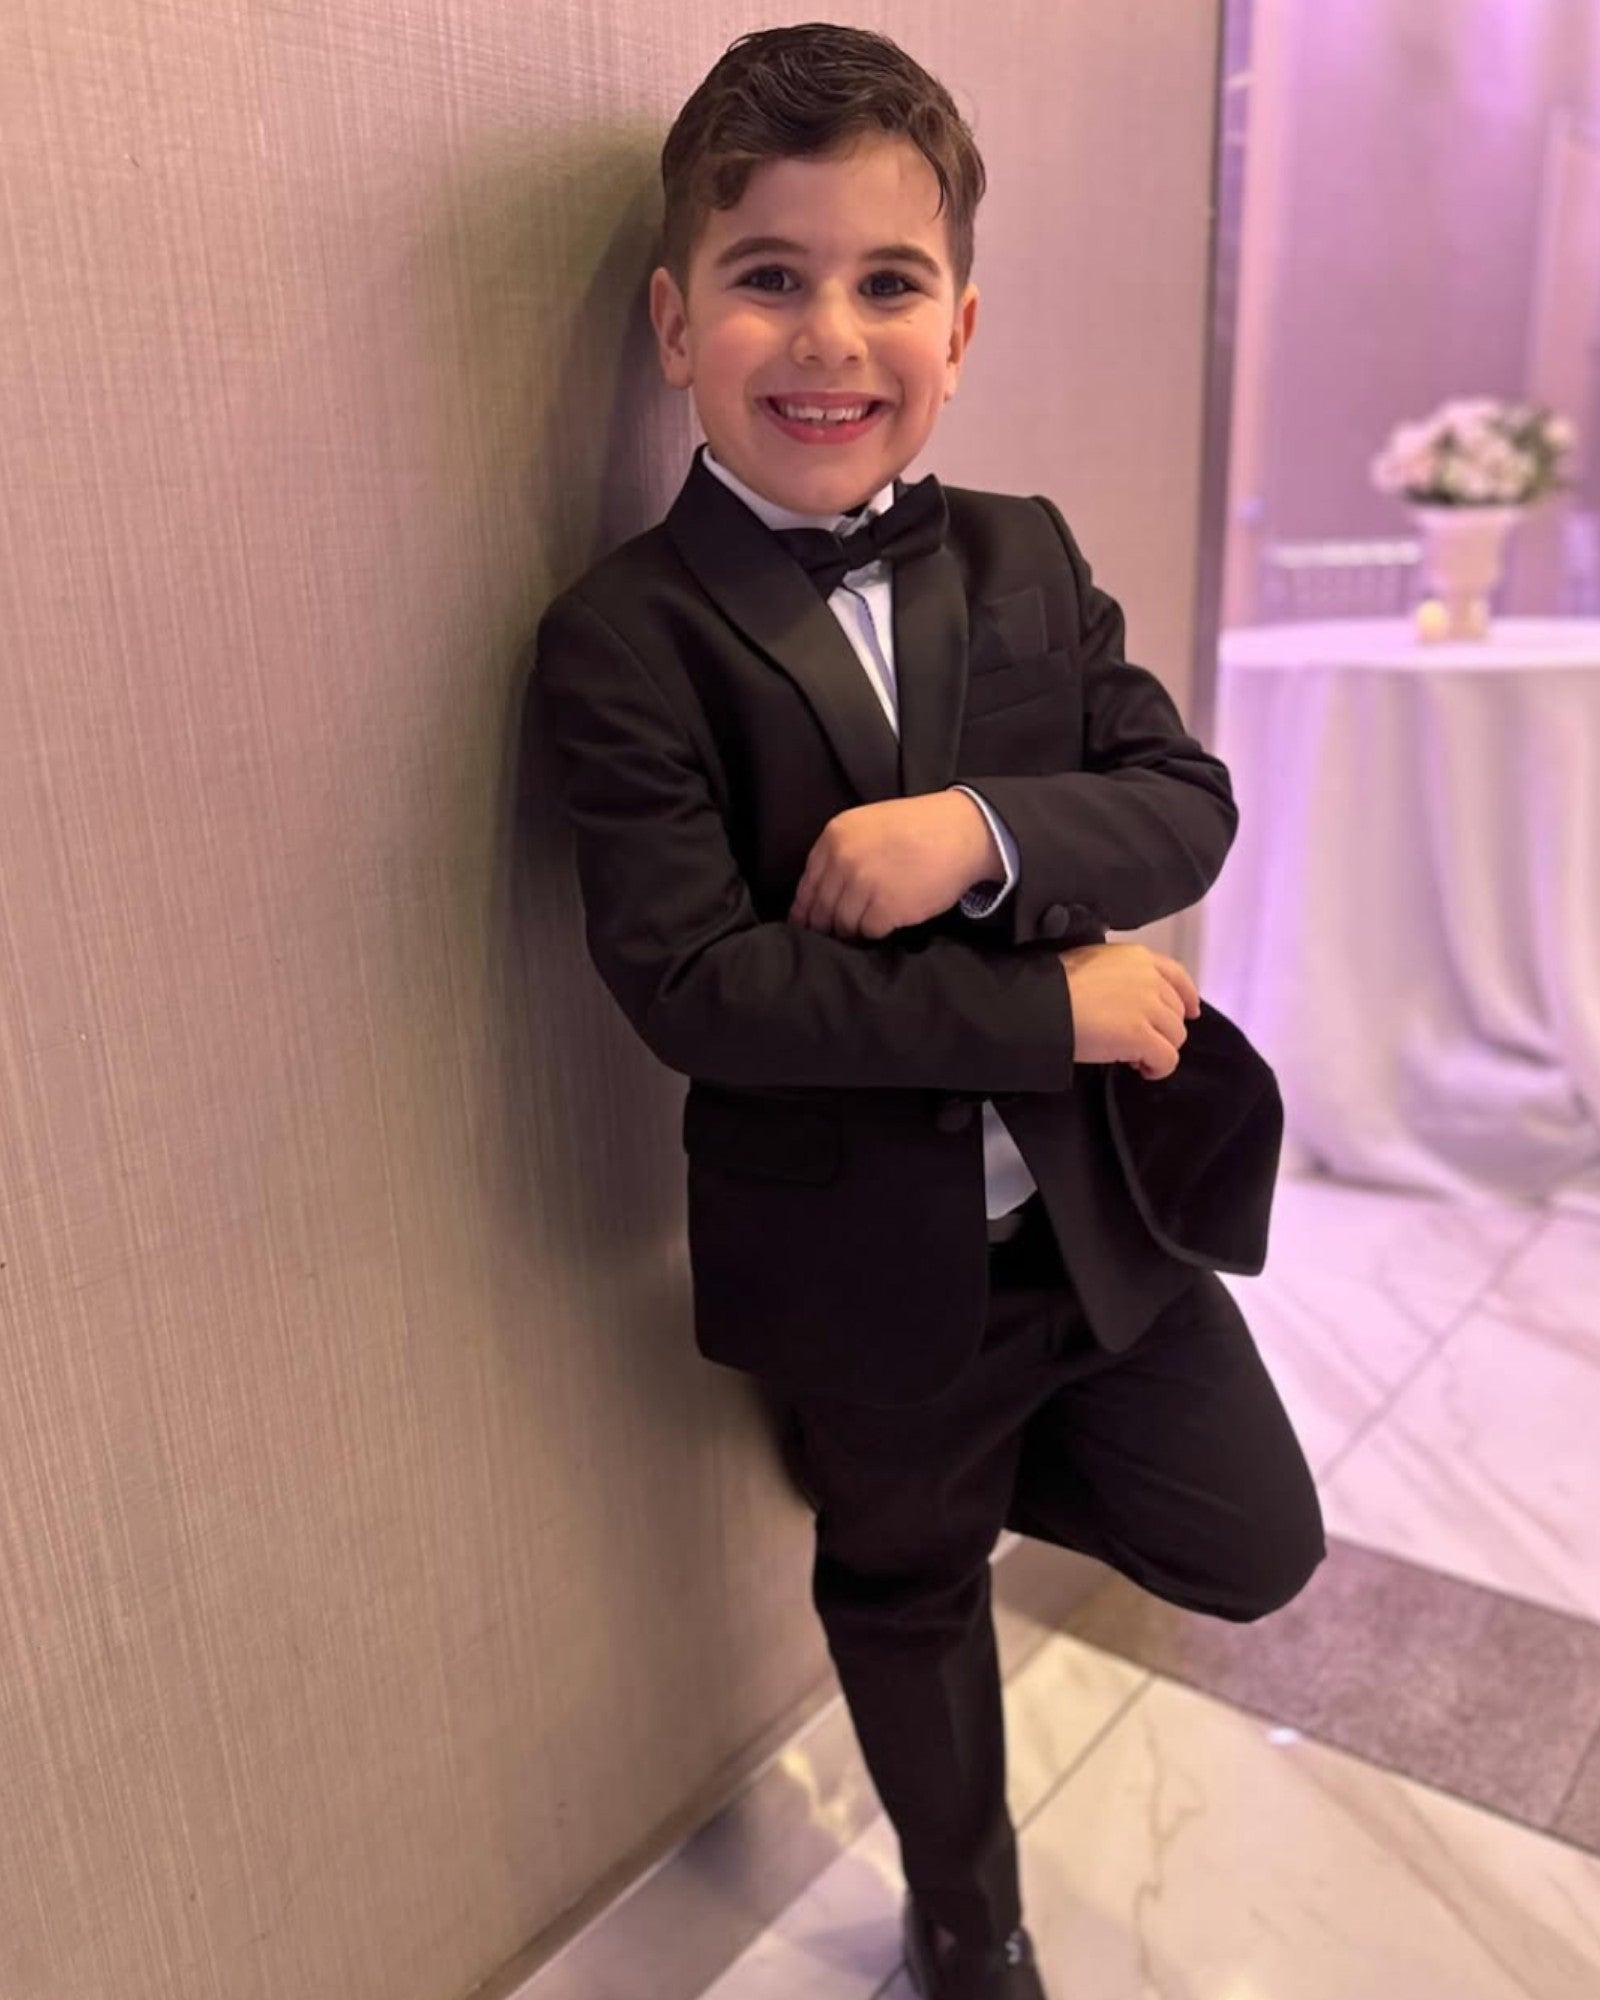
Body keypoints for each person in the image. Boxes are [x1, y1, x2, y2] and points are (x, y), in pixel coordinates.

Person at [533, 24, 1324, 2000]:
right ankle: (965, 1917)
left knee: (1253, 1543)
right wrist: (1045, 1005)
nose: (828, 333)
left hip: (1088, 1232)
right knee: (906, 1590)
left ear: (955, 326)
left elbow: (1182, 806)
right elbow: (698, 987)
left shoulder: (1022, 552)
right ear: (672, 321)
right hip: (869, 1269)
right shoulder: (623, 637)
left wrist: (968, 833)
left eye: (886, 281)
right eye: (766, 275)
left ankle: (922, 1487)